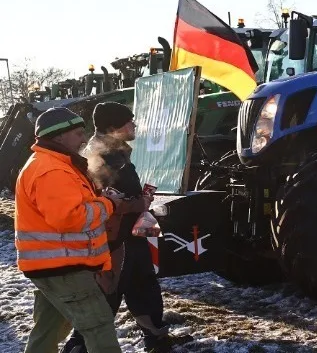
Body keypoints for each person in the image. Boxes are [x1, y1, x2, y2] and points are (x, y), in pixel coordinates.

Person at [15, 107, 150, 353]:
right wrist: (109, 204)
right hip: (65, 268)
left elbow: (70, 207)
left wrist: (98, 198)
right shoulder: (52, 170)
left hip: (53, 266)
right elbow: (71, 217)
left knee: (48, 329)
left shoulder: (55, 164)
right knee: (99, 328)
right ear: (58, 138)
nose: (83, 138)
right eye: (77, 133)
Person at [61, 102, 189, 353]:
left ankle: (156, 337)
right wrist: (137, 203)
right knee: (107, 295)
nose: (134, 126)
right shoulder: (102, 157)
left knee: (143, 286)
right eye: (129, 122)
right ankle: (80, 346)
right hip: (114, 241)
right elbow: (101, 200)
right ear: (113, 127)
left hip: (131, 236)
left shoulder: (113, 152)